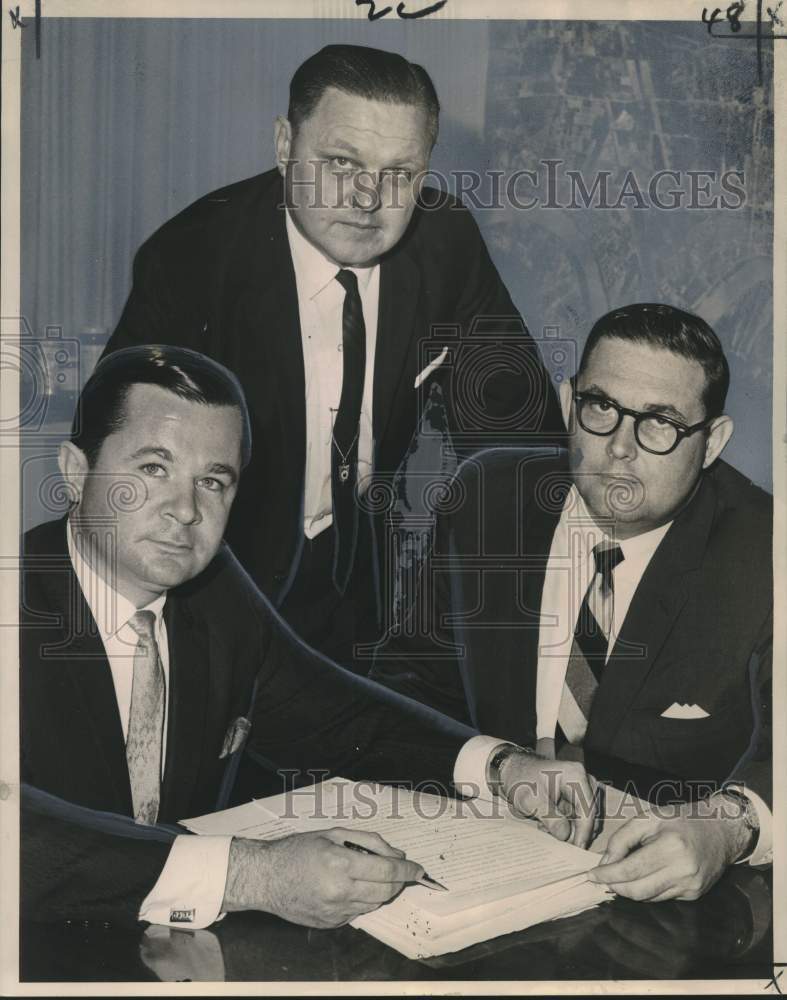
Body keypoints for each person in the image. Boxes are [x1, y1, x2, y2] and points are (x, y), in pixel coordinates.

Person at [20, 345, 595, 933]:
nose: (186, 510)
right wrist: (250, 875)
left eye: (213, 481)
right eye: (153, 469)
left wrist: (500, 766)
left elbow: (335, 715)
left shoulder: (213, 590)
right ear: (74, 471)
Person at [102, 43, 563, 670]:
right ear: (284, 144)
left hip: (357, 587)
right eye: (341, 163)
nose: (368, 199)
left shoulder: (444, 242)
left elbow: (518, 431)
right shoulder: (193, 258)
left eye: (399, 174)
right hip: (212, 583)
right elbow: (121, 462)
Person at [370, 303, 773, 901]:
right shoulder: (486, 500)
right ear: (567, 404)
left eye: (660, 422)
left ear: (711, 442)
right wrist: (495, 766)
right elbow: (405, 685)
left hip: (672, 904)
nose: (620, 448)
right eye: (601, 407)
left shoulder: (767, 552)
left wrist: (728, 827)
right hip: (481, 871)